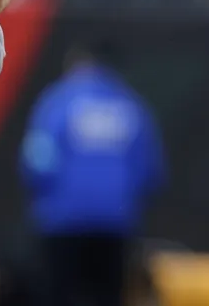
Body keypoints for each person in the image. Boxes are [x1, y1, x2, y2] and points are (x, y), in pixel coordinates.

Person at [19, 46, 165, 306]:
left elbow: (37, 163)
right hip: (114, 225)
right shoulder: (130, 104)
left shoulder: (57, 101)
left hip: (62, 224)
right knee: (108, 297)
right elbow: (149, 171)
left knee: (58, 296)